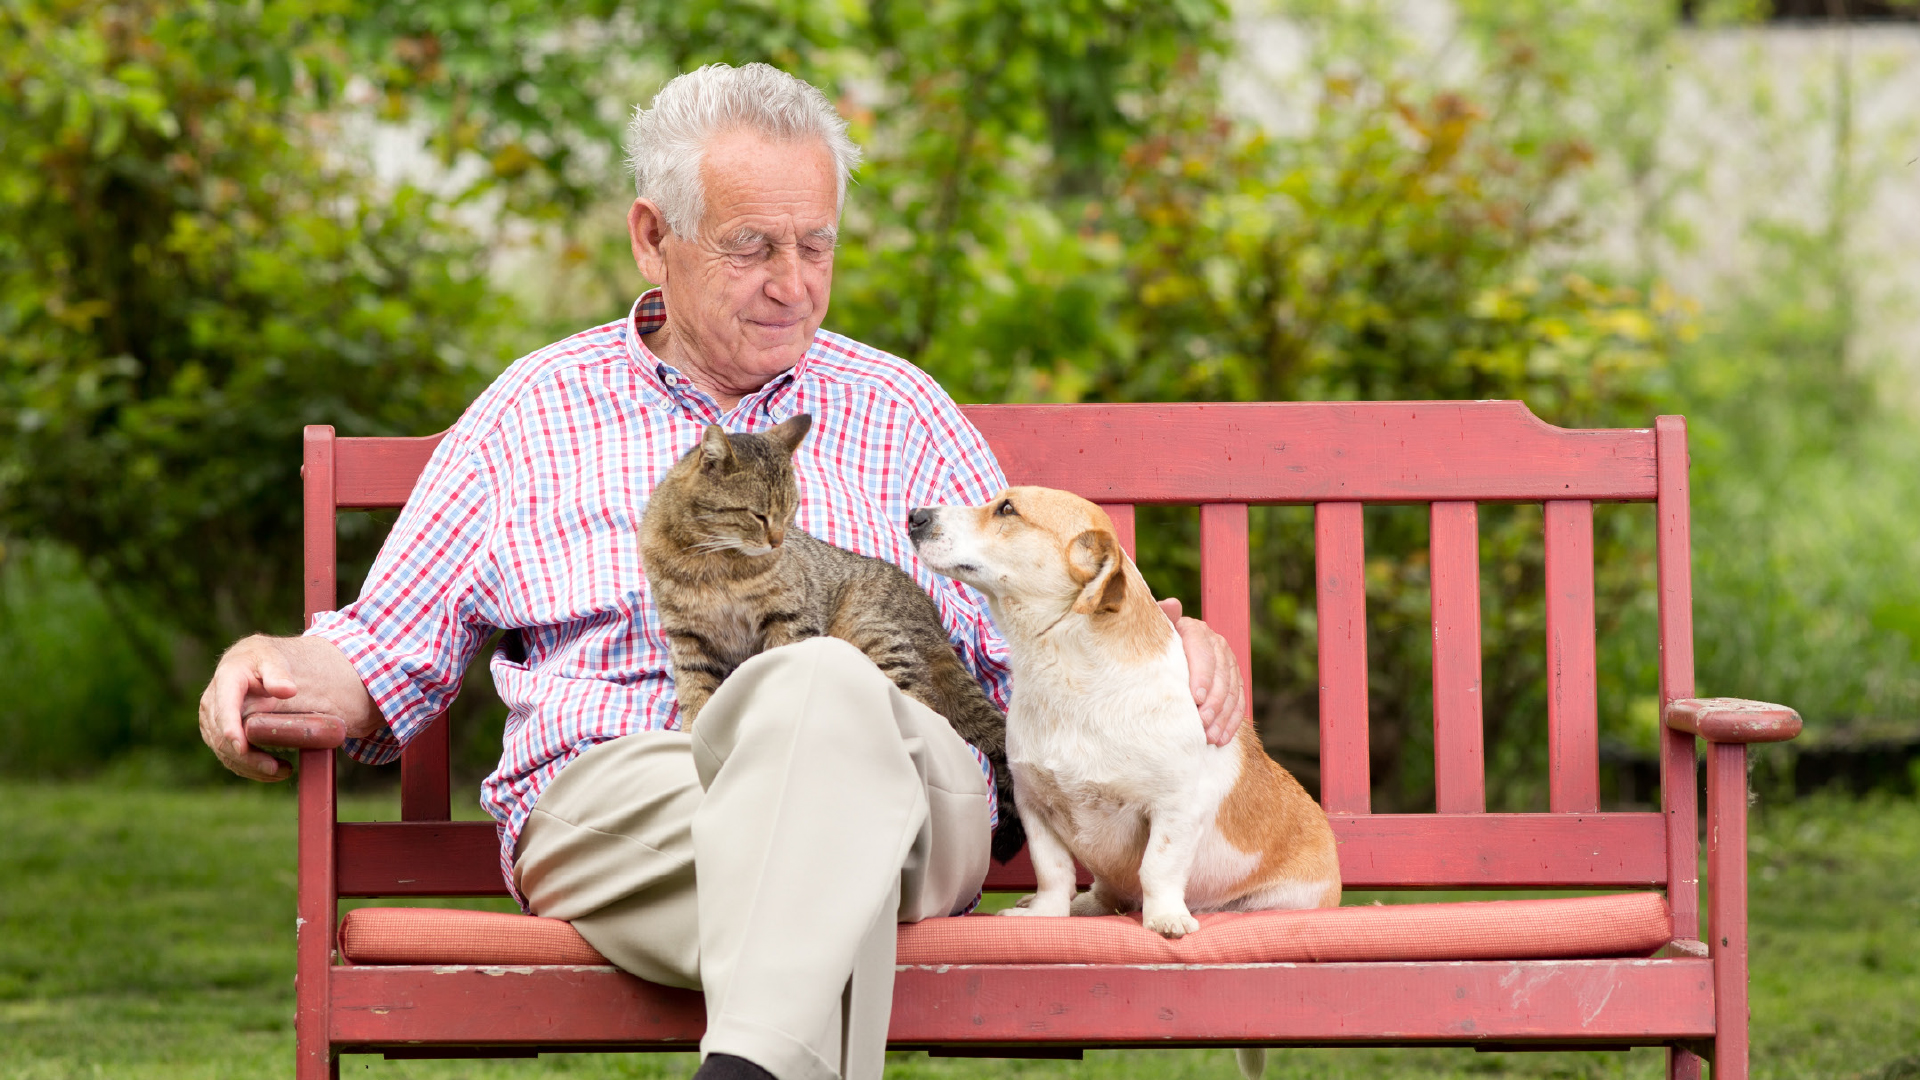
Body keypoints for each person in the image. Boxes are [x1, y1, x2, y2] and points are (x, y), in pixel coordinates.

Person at [196, 62, 1244, 1080]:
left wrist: (1159, 647)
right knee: (831, 855)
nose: (793, 285)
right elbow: (388, 649)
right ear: (653, 237)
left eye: (816, 246)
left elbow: (1033, 645)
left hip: (912, 795)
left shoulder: (904, 410)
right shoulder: (533, 412)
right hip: (632, 803)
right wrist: (272, 661)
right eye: (752, 247)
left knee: (820, 678)